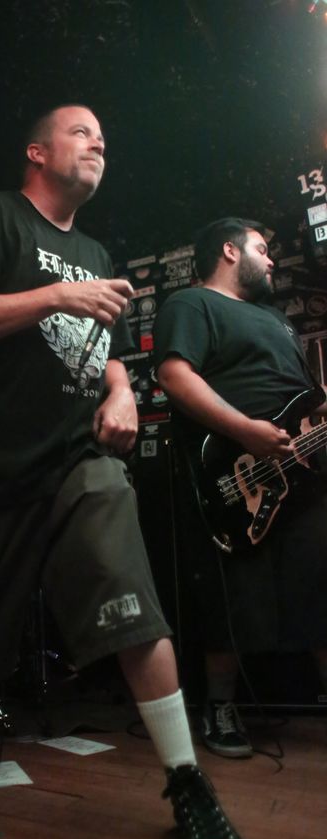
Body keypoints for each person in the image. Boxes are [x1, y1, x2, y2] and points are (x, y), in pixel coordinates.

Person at [0, 107, 250, 839]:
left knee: (127, 592)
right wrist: (51, 297)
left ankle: (186, 780)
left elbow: (108, 355)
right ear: (37, 152)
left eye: (104, 135)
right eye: (81, 132)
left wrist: (123, 393)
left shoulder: (96, 254)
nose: (99, 140)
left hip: (74, 459)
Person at [153, 217, 327, 758]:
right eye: (262, 249)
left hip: (303, 471)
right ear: (229, 251)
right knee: (232, 597)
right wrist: (245, 432)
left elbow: (306, 399)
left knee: (320, 586)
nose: (271, 259)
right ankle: (220, 706)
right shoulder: (192, 304)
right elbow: (174, 376)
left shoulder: (277, 320)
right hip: (235, 470)